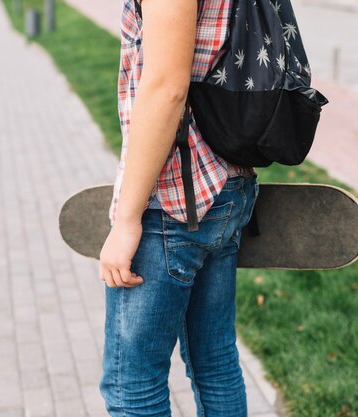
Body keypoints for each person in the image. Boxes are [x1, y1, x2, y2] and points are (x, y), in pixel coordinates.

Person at [98, 0, 259, 415]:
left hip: (174, 195)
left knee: (132, 382)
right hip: (227, 178)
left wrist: (127, 218)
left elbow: (168, 87)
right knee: (215, 363)